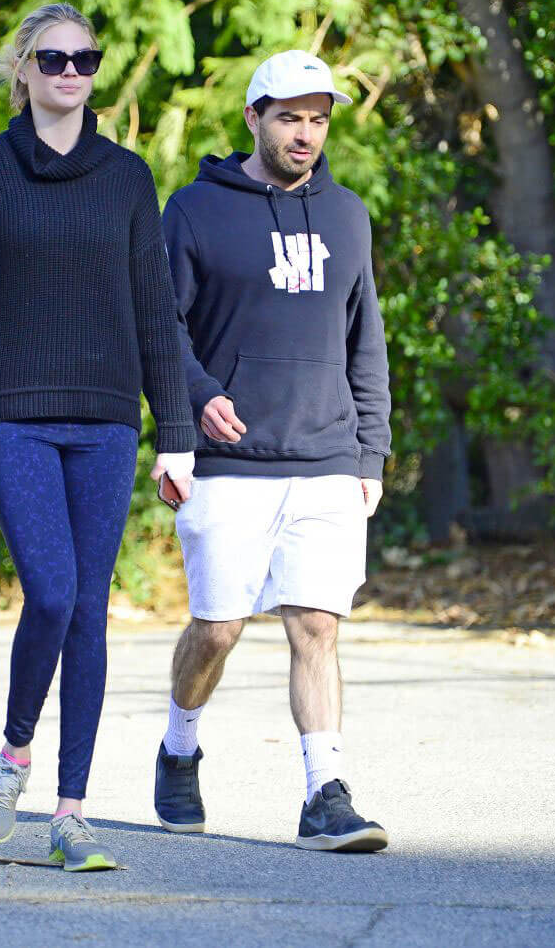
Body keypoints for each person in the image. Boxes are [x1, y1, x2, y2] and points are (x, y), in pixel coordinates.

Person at [0, 2, 198, 872]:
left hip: (109, 419)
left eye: (84, 58)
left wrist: (177, 434)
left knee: (90, 611)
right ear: (25, 71)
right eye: (53, 58)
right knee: (51, 593)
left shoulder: (127, 178)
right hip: (12, 413)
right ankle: (13, 755)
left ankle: (71, 813)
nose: (70, 72)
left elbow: (156, 311)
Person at [152, 49, 392, 852]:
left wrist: (371, 451)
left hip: (325, 455)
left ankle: (326, 792)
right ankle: (180, 742)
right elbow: (157, 330)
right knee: (218, 629)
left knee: (316, 626)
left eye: (319, 119)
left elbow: (366, 340)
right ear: (253, 117)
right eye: (289, 116)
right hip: (228, 462)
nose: (306, 133)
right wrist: (192, 401)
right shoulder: (192, 211)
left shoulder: (350, 214)